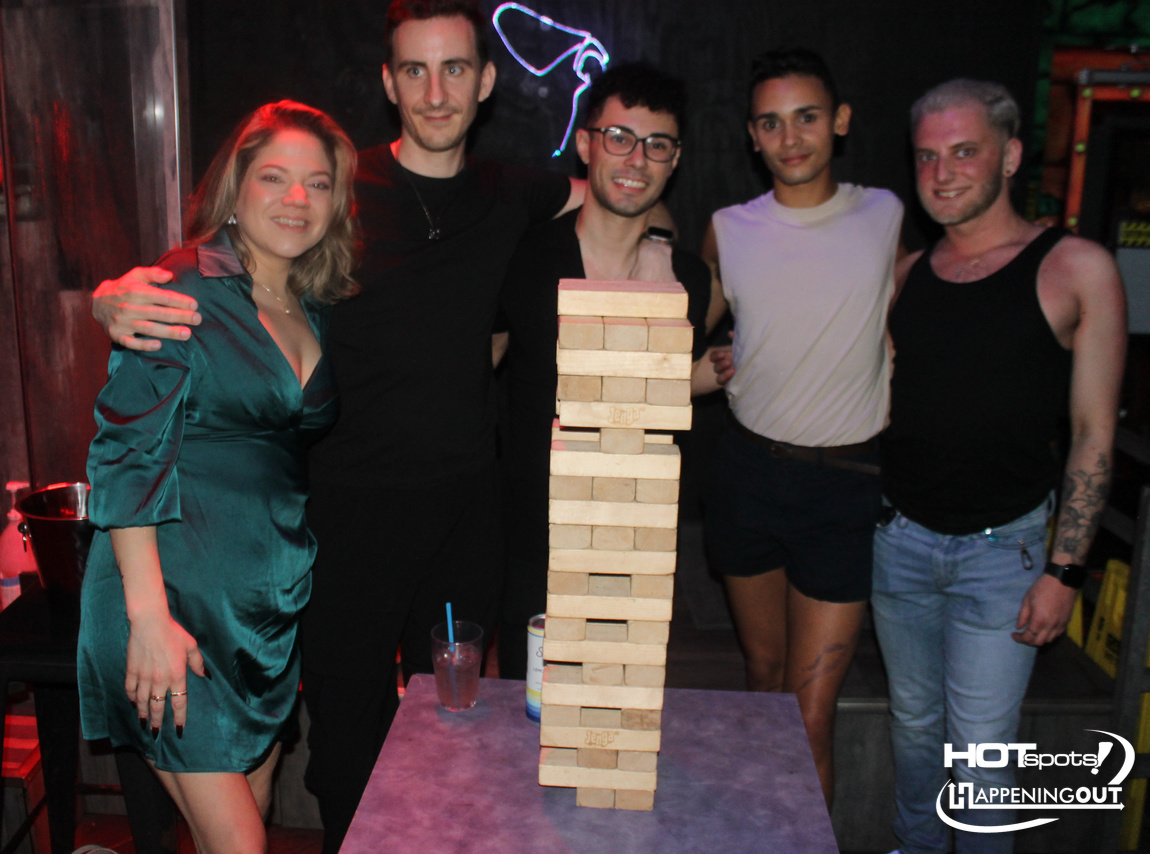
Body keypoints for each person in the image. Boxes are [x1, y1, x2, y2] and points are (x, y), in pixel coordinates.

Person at [89, 2, 584, 847]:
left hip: (453, 513)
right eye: (415, 71)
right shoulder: (336, 188)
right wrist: (110, 298)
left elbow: (612, 192)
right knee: (345, 740)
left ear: (487, 81)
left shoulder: (509, 191)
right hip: (334, 523)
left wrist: (655, 250)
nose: (436, 92)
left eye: (456, 69)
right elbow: (188, 328)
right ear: (388, 84)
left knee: (459, 723)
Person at [78, 100, 356, 854]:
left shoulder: (312, 305)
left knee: (241, 821)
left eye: (318, 183)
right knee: (241, 843)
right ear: (236, 186)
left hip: (260, 616)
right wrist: (147, 620)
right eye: (275, 177)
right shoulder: (180, 287)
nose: (297, 199)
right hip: (164, 605)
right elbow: (125, 452)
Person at [873, 79, 1125, 853]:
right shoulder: (909, 274)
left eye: (964, 151)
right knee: (914, 733)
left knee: (982, 761)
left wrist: (1066, 570)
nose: (942, 172)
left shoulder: (1075, 266)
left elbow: (1092, 434)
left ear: (1010, 156)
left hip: (1004, 554)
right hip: (902, 541)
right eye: (926, 156)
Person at [700, 47, 904, 807]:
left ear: (840, 122)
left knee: (811, 713)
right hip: (749, 475)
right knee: (761, 686)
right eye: (771, 123)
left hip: (845, 487)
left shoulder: (886, 215)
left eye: (807, 118)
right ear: (752, 136)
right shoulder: (729, 227)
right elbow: (687, 327)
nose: (791, 138)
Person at [495, 62, 717, 679]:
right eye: (619, 137)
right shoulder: (524, 257)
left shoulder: (690, 281)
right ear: (587, 143)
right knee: (528, 732)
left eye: (657, 144)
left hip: (633, 544)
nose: (636, 158)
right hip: (534, 541)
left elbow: (689, 386)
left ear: (675, 160)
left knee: (614, 731)